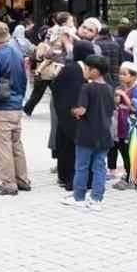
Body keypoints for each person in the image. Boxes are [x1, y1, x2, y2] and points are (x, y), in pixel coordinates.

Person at [0, 21, 29, 196]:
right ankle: (22, 179)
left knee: (2, 147)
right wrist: (20, 101)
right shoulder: (16, 52)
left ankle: (8, 184)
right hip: (16, 106)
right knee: (17, 144)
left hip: (1, 108)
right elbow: (24, 80)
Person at [62, 55, 115, 210]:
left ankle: (79, 197)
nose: (84, 71)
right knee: (99, 167)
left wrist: (73, 111)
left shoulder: (87, 88)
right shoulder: (109, 89)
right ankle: (96, 200)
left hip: (86, 134)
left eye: (86, 68)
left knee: (82, 166)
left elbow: (82, 110)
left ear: (95, 71)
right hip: (104, 134)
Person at [51, 38, 92, 191]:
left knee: (66, 145)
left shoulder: (74, 68)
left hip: (69, 113)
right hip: (70, 113)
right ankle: (70, 178)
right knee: (70, 146)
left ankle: (66, 176)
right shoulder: (73, 69)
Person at [113, 62, 137, 190]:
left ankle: (133, 178)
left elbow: (134, 107)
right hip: (122, 125)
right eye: (120, 73)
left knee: (131, 151)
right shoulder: (123, 88)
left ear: (134, 76)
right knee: (123, 150)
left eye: (124, 74)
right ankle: (129, 174)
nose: (121, 76)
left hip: (132, 126)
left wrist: (123, 95)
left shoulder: (136, 90)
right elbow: (116, 104)